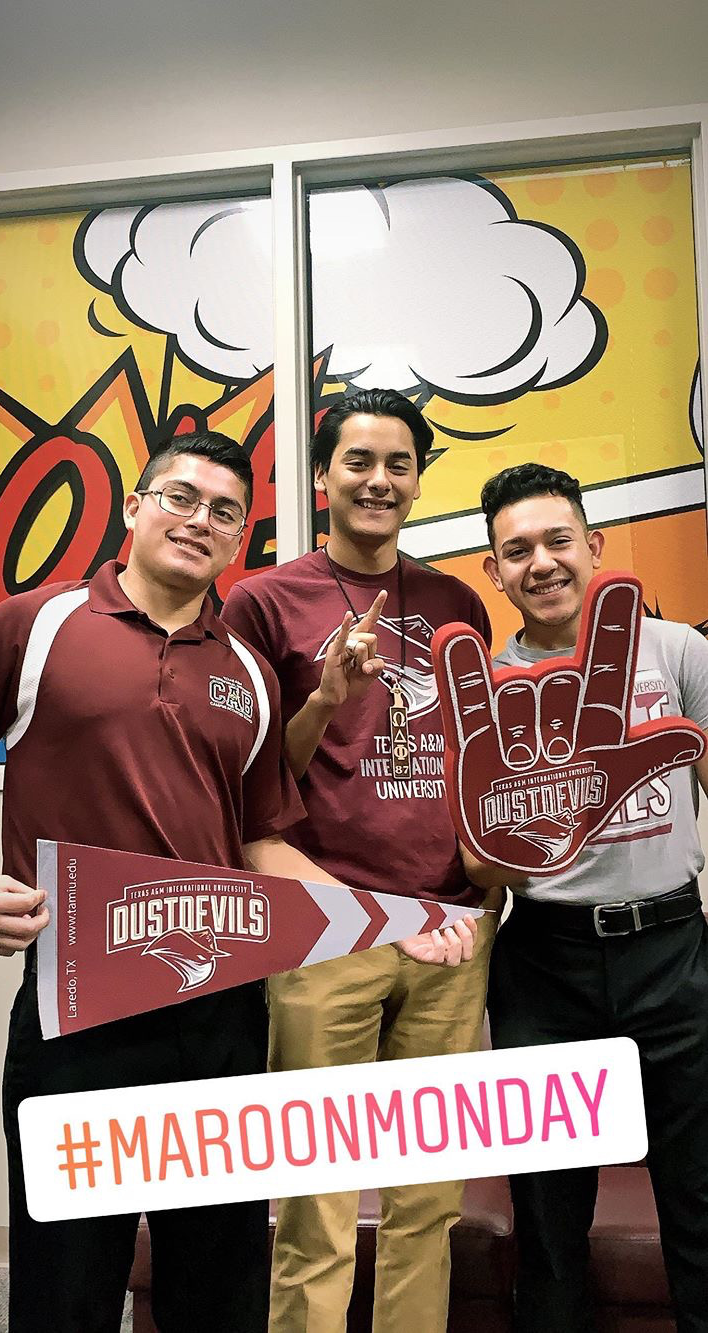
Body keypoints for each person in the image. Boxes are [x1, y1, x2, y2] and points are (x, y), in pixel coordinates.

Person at [0, 429, 475, 1333]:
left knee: (216, 1290)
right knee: (67, 1288)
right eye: (181, 497)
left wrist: (389, 920)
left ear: (241, 538)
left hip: (220, 1014)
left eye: (225, 512)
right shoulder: (33, 626)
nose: (200, 521)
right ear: (134, 506)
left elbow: (262, 842)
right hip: (76, 1017)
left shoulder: (245, 670)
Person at [221, 388, 503, 1333]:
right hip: (324, 930)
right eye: (358, 461)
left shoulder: (458, 601)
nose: (379, 480)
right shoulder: (262, 601)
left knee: (430, 1203)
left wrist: (490, 881)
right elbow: (256, 782)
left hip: (449, 930)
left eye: (398, 463)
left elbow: (473, 762)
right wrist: (325, 693)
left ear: (419, 480)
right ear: (321, 476)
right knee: (318, 1203)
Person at [479, 461, 708, 1333]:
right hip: (547, 968)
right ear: (493, 572)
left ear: (595, 545)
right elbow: (479, 864)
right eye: (517, 550)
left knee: (698, 1199)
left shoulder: (679, 650)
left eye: (557, 539)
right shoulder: (489, 692)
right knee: (548, 1219)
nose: (541, 562)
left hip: (674, 952)